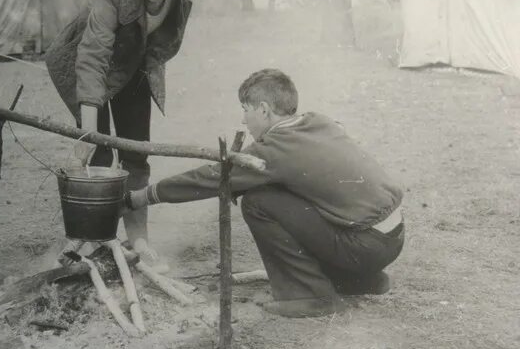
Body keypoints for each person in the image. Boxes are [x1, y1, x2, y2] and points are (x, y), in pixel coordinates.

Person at [124, 69, 405, 318]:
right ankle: (362, 281)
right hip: (391, 237)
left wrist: (144, 196)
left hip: (364, 245)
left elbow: (209, 178)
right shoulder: (317, 122)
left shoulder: (276, 149)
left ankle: (310, 296)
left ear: (263, 109)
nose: (243, 120)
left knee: (259, 203)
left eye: (245, 110)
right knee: (282, 196)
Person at [45, 0, 192, 266]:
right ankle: (90, 240)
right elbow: (93, 58)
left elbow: (165, 41)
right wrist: (87, 133)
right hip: (82, 64)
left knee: (136, 151)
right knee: (98, 149)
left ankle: (138, 239)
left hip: (132, 66)